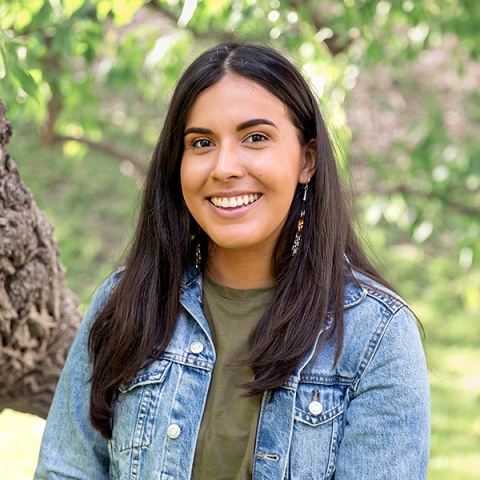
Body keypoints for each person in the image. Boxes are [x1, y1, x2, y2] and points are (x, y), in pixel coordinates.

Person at [34, 42, 430, 480]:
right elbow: (66, 470)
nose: (224, 167)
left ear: (307, 160)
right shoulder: (126, 302)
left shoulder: (376, 336)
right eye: (201, 142)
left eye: (255, 138)